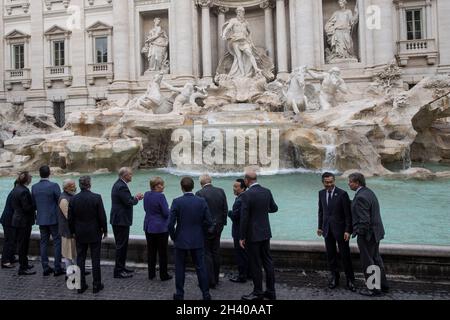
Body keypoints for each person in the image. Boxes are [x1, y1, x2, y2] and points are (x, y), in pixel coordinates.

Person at [169, 177, 214, 300]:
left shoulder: (176, 202)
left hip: (181, 239)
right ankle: (206, 294)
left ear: (181, 187)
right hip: (197, 239)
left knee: (180, 268)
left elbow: (170, 224)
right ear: (193, 187)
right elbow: (209, 222)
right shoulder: (201, 201)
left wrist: (174, 237)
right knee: (201, 267)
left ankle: (179, 294)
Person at [348, 172, 390, 297]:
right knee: (376, 259)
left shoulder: (360, 197)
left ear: (357, 183)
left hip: (367, 235)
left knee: (368, 261)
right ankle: (383, 285)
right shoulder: (368, 192)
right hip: (376, 232)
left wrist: (359, 233)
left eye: (350, 182)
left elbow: (364, 220)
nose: (348, 184)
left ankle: (373, 289)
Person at [240, 168, 278, 300]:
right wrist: (262, 211)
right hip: (265, 233)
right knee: (268, 261)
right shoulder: (267, 191)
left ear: (246, 180)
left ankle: (257, 292)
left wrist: (242, 237)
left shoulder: (246, 195)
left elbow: (244, 217)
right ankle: (271, 291)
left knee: (255, 263)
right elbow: (274, 208)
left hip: (252, 235)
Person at [68, 176, 108, 294]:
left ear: (80, 185)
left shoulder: (73, 199)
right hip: (94, 232)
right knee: (95, 259)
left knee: (80, 258)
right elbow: (102, 216)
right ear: (89, 184)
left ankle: (80, 285)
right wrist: (105, 230)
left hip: (79, 233)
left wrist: (72, 232)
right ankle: (96, 285)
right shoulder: (96, 197)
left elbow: (70, 219)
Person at [317, 172, 355, 291]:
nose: (329, 184)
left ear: (334, 181)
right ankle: (335, 277)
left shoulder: (342, 194)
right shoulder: (321, 193)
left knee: (345, 256)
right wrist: (320, 227)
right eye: (326, 182)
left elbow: (348, 215)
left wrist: (348, 230)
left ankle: (350, 280)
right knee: (331, 255)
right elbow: (321, 211)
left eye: (331, 182)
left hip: (341, 231)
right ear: (323, 182)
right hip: (327, 230)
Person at [195, 174, 228, 289]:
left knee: (207, 253)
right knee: (216, 251)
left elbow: (199, 212)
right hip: (218, 227)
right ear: (210, 181)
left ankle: (210, 280)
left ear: (201, 183)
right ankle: (216, 278)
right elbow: (225, 208)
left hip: (205, 228)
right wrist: (222, 224)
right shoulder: (221, 191)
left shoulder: (199, 193)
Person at [110, 167, 143, 279]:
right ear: (124, 176)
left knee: (122, 245)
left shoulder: (119, 184)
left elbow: (125, 200)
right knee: (121, 246)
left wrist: (134, 198)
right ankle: (118, 271)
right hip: (121, 221)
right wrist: (137, 198)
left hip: (119, 220)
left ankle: (121, 267)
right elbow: (129, 202)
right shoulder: (121, 187)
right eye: (130, 174)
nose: (131, 176)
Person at [32, 165, 64, 276]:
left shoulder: (34, 187)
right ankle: (57, 267)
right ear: (49, 173)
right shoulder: (54, 186)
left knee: (43, 242)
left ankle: (45, 267)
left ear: (39, 173)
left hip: (41, 219)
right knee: (57, 242)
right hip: (53, 219)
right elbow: (60, 201)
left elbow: (34, 204)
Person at [143, 177, 172, 281]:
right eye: (161, 184)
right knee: (162, 252)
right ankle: (163, 275)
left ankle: (151, 274)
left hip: (148, 226)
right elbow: (165, 213)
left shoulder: (146, 194)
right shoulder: (161, 196)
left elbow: (146, 209)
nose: (163, 186)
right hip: (160, 229)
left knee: (151, 251)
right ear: (156, 186)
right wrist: (170, 210)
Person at [11, 171, 36, 276]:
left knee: (22, 244)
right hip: (24, 222)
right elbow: (27, 208)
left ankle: (24, 264)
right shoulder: (24, 191)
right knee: (23, 245)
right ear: (27, 179)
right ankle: (22, 268)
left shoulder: (16, 189)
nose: (31, 178)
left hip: (17, 220)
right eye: (30, 177)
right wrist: (35, 205)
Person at [228, 178, 249, 283]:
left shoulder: (240, 199)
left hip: (238, 231)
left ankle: (242, 276)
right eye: (234, 186)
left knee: (240, 254)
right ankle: (248, 273)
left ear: (243, 188)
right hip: (246, 230)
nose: (234, 188)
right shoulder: (247, 197)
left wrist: (229, 213)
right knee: (245, 254)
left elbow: (236, 216)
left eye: (236, 187)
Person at [58, 179, 78, 270]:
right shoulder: (64, 199)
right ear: (66, 188)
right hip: (67, 232)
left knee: (74, 254)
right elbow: (68, 216)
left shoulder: (70, 196)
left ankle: (76, 271)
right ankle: (70, 274)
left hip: (71, 231)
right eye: (72, 186)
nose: (75, 187)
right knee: (68, 255)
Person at [1, 182, 17, 268]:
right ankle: (5, 261)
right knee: (9, 241)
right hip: (8, 221)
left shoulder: (13, 192)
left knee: (12, 240)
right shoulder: (15, 194)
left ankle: (11, 257)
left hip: (8, 220)